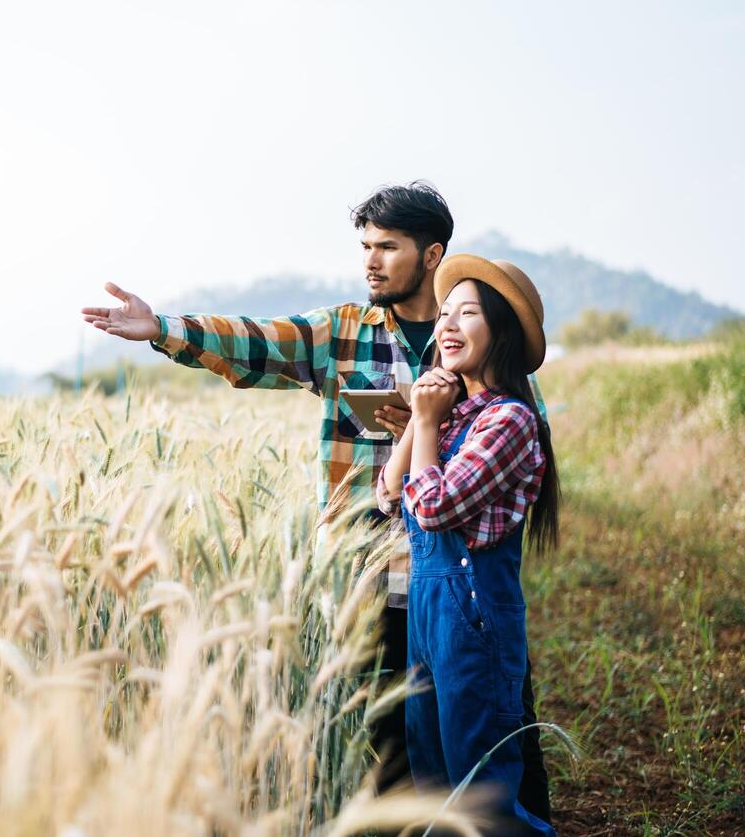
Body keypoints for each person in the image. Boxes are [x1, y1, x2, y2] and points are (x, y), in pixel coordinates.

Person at [80, 182, 550, 816]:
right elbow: (253, 342)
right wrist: (162, 329)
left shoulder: (483, 353)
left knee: (496, 735)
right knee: (396, 736)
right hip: (366, 569)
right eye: (366, 247)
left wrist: (429, 423)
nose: (371, 261)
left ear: (432, 255)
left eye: (388, 246)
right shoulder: (344, 332)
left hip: (460, 581)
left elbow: (523, 452)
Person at [379, 255, 559, 836]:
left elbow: (430, 508)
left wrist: (427, 424)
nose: (447, 326)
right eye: (445, 314)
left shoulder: (508, 421)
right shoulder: (454, 415)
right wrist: (420, 416)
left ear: (500, 330)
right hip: (429, 617)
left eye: (468, 313)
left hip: (475, 620)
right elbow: (388, 492)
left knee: (480, 791)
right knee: (434, 783)